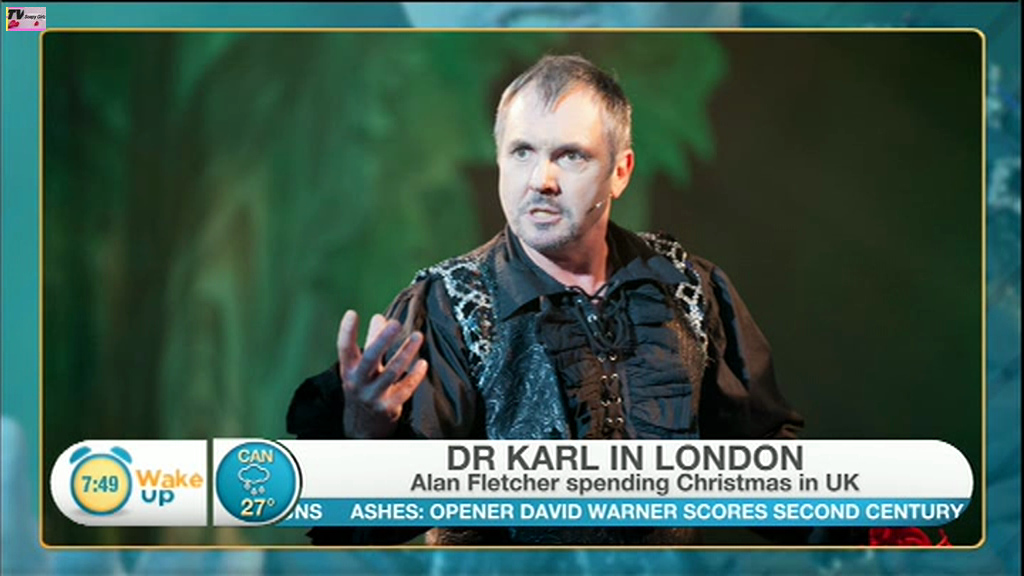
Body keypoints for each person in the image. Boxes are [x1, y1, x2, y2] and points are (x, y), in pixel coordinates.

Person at [287, 54, 853, 546]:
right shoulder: (448, 304)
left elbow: (765, 469)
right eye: (522, 152)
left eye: (571, 156)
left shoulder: (689, 288)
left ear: (620, 172)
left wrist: (868, 529)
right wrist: (365, 430)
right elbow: (377, 524)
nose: (542, 180)